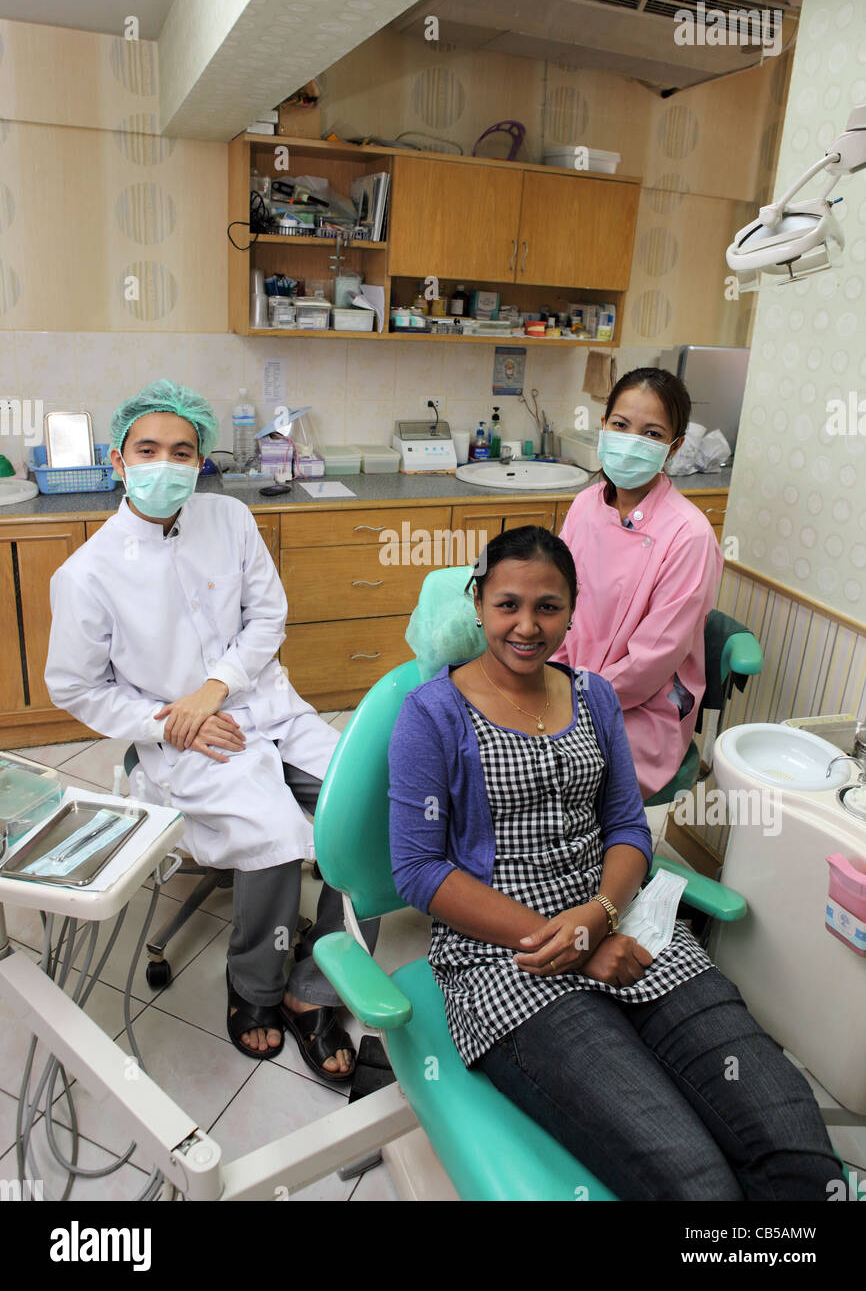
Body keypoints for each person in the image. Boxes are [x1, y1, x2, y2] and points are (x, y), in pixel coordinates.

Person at [388, 525, 842, 1200]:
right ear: (478, 602)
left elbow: (627, 826)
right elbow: (421, 870)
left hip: (626, 928)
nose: (527, 625)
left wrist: (598, 919)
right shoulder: (433, 715)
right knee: (696, 1184)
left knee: (795, 1147)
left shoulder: (594, 696)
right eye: (507, 603)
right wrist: (571, 941)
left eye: (548, 607)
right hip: (508, 960)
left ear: (572, 612)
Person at [44, 379, 377, 1077]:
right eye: (148, 449)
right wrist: (170, 724)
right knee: (274, 835)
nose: (167, 463)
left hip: (267, 708)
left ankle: (315, 987)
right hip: (182, 740)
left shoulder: (229, 520)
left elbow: (267, 618)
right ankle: (255, 987)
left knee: (370, 806)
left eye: (183, 451)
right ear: (117, 459)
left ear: (201, 462)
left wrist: (214, 688)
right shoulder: (88, 574)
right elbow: (74, 686)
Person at [555, 368, 723, 801]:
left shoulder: (689, 535)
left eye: (651, 433)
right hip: (563, 683)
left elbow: (653, 660)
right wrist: (546, 676)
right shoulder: (584, 505)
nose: (632, 440)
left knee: (541, 775)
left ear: (674, 447)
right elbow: (553, 603)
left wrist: (574, 701)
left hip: (638, 709)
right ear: (604, 426)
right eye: (621, 425)